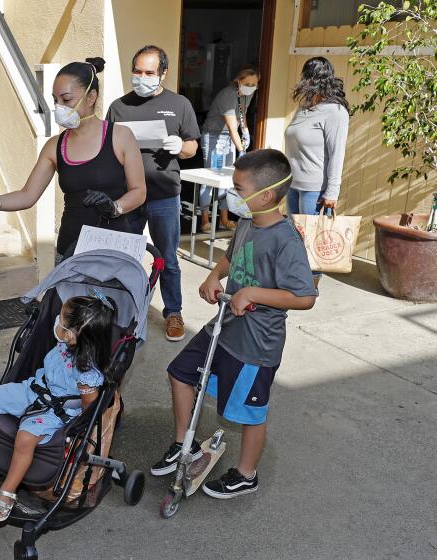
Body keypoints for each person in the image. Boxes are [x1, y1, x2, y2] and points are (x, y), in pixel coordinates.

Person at [150, 149, 316, 498]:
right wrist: (213, 276)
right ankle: (186, 444)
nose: (233, 195)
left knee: (249, 413)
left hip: (256, 345)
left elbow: (304, 297)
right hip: (224, 328)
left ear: (266, 195)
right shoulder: (245, 222)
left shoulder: (286, 241)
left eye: (239, 189)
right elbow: (230, 257)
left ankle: (246, 474)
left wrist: (256, 292)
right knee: (179, 373)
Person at [0, 57, 146, 264]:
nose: (59, 106)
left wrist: (115, 207)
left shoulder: (120, 136)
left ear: (91, 97)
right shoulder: (54, 146)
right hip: (71, 250)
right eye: (55, 100)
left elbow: (139, 191)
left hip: (114, 250)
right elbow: (27, 195)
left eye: (66, 99)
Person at [0, 294, 114, 521]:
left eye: (61, 318)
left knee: (25, 437)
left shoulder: (86, 373)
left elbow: (89, 407)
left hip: (55, 410)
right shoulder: (64, 344)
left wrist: (73, 430)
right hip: (32, 390)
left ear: (73, 334)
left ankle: (7, 492)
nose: (56, 320)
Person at [106, 45, 200, 342]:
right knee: (126, 255)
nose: (142, 77)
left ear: (163, 73)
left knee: (167, 257)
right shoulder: (119, 106)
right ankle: (126, 308)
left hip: (163, 195)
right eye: (137, 71)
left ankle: (173, 312)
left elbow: (192, 147)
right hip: (128, 195)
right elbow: (106, 148)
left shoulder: (180, 104)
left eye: (149, 72)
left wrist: (180, 146)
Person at [284, 56, 350, 288]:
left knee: (312, 239)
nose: (303, 81)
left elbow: (337, 154)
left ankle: (310, 285)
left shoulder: (335, 112)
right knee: (295, 237)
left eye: (308, 76)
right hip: (293, 184)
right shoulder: (304, 109)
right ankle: (295, 279)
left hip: (315, 188)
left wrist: (332, 192)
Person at [199, 66, 260, 233]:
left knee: (227, 178)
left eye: (254, 84)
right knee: (210, 178)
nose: (251, 86)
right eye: (247, 83)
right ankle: (205, 218)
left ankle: (223, 219)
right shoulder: (228, 94)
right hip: (213, 136)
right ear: (238, 81)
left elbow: (242, 115)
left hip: (228, 137)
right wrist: (242, 150)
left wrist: (246, 131)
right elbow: (232, 126)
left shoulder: (248, 93)